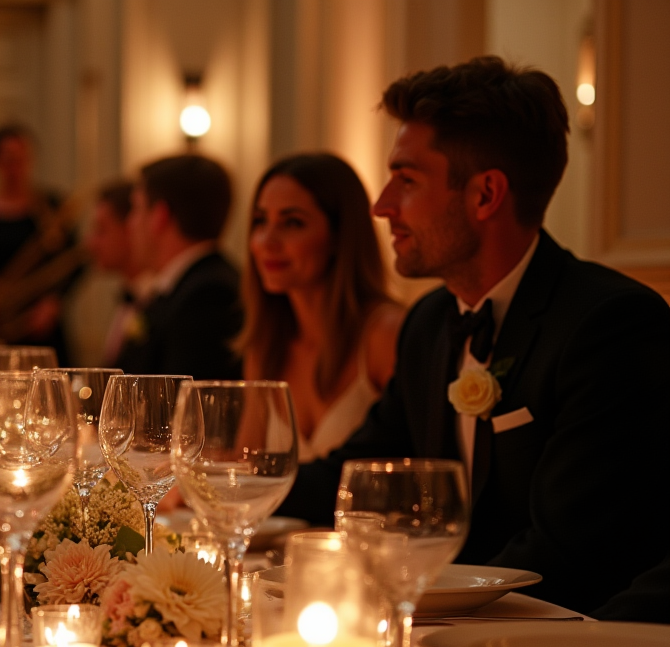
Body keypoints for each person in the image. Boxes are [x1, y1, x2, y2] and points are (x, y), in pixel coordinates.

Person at [276, 57, 670, 615]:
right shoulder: (429, 323)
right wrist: (226, 488)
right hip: (455, 628)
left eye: (407, 180)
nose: (382, 206)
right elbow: (362, 470)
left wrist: (414, 606)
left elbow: (569, 547)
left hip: (568, 635)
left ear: (486, 195)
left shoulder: (608, 325)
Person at [239, 153, 404, 462]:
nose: (267, 241)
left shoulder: (385, 335)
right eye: (261, 221)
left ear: (339, 236)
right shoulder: (267, 348)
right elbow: (243, 465)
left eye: (292, 223)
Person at [0, 123, 83, 366]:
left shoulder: (51, 207)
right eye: (10, 160)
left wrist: (54, 303)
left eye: (23, 159)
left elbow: (75, 263)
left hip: (43, 330)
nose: (17, 168)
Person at [115, 154, 242, 379]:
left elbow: (183, 395)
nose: (129, 224)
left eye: (136, 209)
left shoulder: (208, 295)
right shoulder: (182, 286)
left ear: (160, 216)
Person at [85, 180, 147, 367]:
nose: (90, 242)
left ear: (130, 229)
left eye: (101, 230)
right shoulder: (129, 298)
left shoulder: (157, 300)